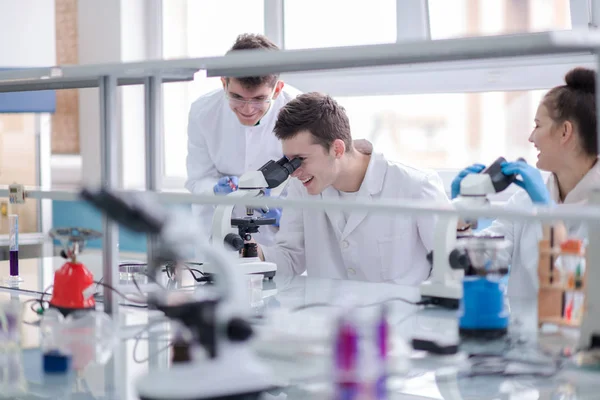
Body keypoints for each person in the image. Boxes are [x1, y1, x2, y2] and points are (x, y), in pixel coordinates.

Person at [256, 92, 450, 285]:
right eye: (289, 162)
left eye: (301, 160)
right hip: (328, 313)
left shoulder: (416, 186)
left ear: (337, 149)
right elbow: (290, 258)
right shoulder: (301, 187)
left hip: (401, 313)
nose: (293, 172)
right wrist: (254, 253)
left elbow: (449, 268)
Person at [452, 67, 600, 298]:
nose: (531, 138)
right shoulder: (524, 199)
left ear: (565, 132)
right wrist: (461, 217)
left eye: (538, 125)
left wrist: (547, 212)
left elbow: (571, 292)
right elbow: (481, 261)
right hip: (518, 331)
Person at [185, 33, 301, 245]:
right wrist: (215, 189)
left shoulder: (300, 112)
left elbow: (312, 184)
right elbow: (197, 179)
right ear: (224, 83)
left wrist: (283, 208)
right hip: (216, 234)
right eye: (237, 97)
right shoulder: (203, 112)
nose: (248, 110)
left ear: (277, 90)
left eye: (259, 99)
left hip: (279, 238)